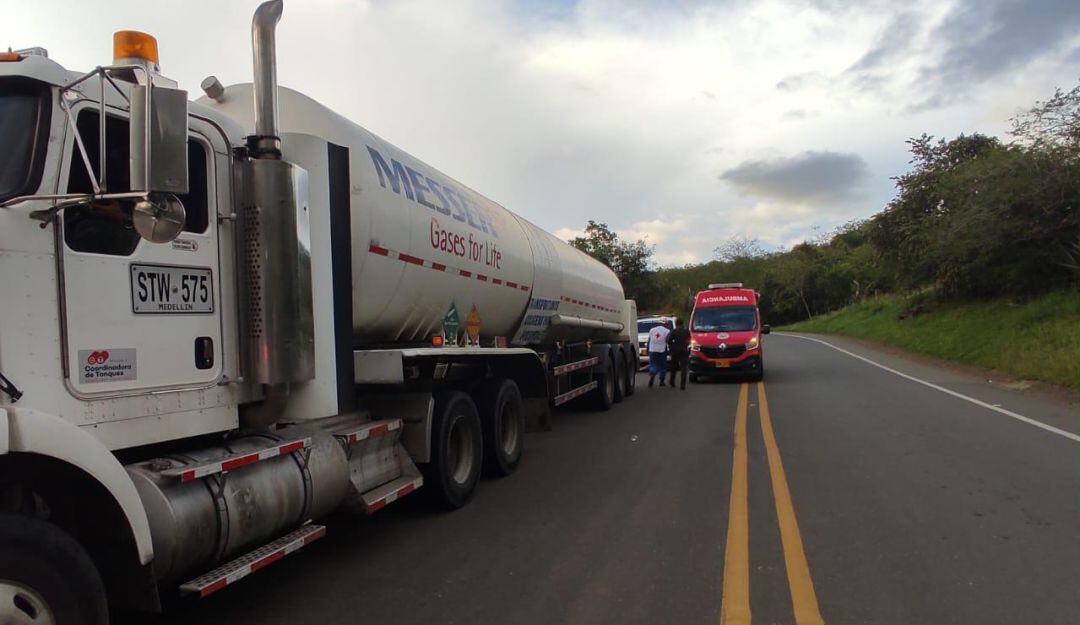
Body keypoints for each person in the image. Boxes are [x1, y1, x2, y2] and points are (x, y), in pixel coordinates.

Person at [666, 317, 691, 390]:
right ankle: (682, 385)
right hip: (684, 350)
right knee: (684, 368)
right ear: (682, 323)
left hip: (675, 350)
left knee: (673, 367)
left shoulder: (674, 331)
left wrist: (672, 347)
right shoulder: (686, 331)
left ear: (676, 323)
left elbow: (668, 340)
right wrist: (685, 345)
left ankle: (672, 381)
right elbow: (689, 340)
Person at [647, 321, 671, 387]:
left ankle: (652, 375)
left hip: (652, 350)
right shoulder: (667, 331)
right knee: (662, 366)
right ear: (666, 324)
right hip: (662, 350)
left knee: (653, 364)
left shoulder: (652, 330)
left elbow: (649, 340)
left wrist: (647, 349)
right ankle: (661, 381)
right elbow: (668, 341)